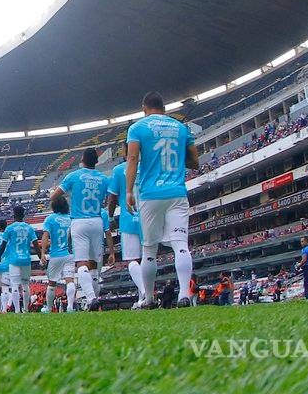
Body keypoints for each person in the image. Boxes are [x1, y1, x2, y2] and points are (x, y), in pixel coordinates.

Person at [125, 92, 198, 309]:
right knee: (181, 245)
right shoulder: (181, 128)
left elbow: (132, 159)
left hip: (150, 194)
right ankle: (184, 294)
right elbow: (194, 160)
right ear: (164, 108)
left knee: (149, 250)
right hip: (176, 192)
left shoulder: (137, 128)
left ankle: (148, 298)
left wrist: (129, 191)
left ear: (144, 107)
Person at [50, 147, 111, 311]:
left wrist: (70, 195)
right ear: (96, 162)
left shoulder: (74, 176)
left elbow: (54, 196)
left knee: (81, 264)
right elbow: (112, 197)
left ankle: (91, 299)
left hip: (79, 222)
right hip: (97, 221)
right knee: (93, 266)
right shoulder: (104, 178)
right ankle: (95, 300)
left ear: (82, 159)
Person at [105, 143, 146, 308]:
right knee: (148, 257)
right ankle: (145, 295)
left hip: (128, 218)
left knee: (132, 260)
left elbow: (113, 198)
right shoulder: (147, 167)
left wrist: (109, 217)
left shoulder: (118, 170)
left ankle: (144, 292)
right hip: (148, 217)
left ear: (124, 150)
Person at [0, 205, 40, 313]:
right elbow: (35, 244)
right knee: (25, 284)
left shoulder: (9, 228)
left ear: (14, 215)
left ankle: (17, 310)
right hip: (26, 260)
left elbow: (3, 245)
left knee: (15, 284)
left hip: (14, 261)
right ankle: (25, 309)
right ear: (24, 215)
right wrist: (41, 257)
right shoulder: (29, 228)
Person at [40, 194, 76, 311]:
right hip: (70, 254)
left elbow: (45, 236)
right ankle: (70, 307)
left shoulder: (50, 219)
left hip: (56, 255)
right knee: (69, 279)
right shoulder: (71, 218)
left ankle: (49, 308)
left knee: (52, 283)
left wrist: (42, 253)